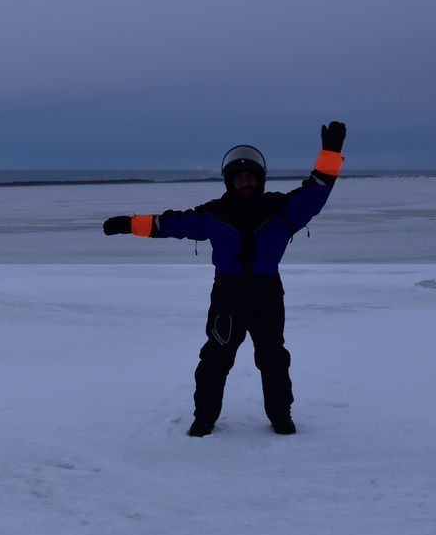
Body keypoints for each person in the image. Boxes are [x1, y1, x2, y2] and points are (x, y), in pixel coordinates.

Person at [102, 121, 346, 436]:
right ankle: (204, 418)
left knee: (273, 358)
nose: (245, 182)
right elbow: (171, 224)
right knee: (215, 359)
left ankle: (281, 416)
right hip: (228, 296)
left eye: (251, 177)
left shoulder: (283, 209)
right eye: (239, 177)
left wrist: (330, 151)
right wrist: (127, 224)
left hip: (266, 293)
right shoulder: (214, 214)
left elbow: (317, 191)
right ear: (229, 181)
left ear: (260, 179)